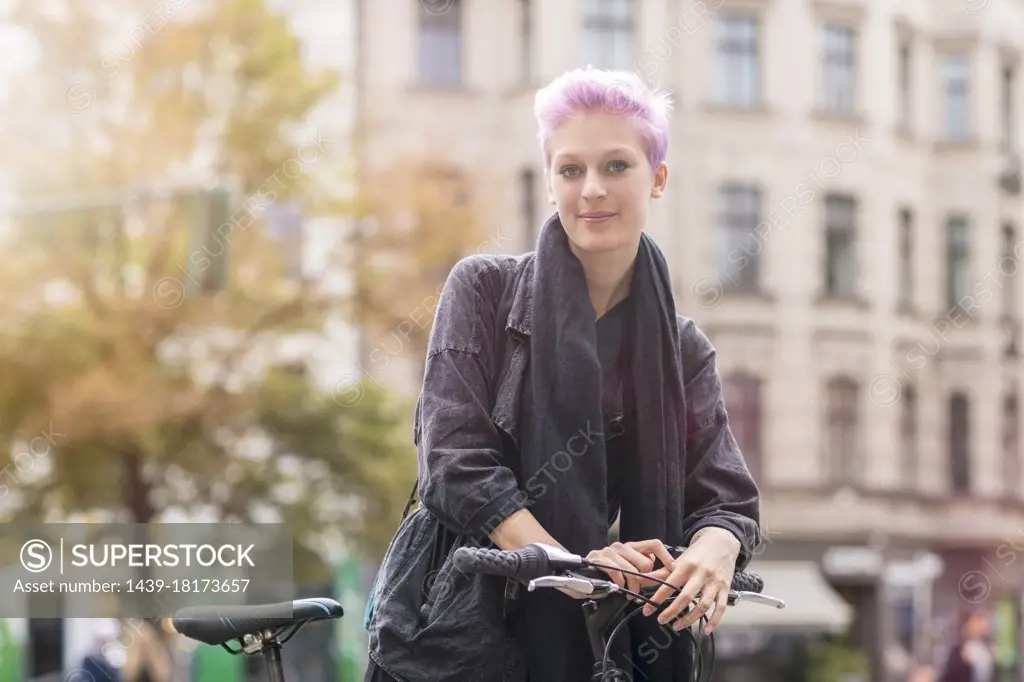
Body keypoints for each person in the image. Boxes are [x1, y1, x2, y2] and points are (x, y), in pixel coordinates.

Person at [363, 66, 761, 682]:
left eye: (616, 166)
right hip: (458, 630)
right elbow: (454, 464)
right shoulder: (483, 292)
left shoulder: (682, 350)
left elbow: (725, 496)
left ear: (658, 178)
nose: (592, 189)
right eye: (571, 169)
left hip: (602, 636)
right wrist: (573, 564)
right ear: (550, 182)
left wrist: (716, 549)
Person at [937, 609, 995, 682]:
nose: (983, 625)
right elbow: (950, 674)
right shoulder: (960, 649)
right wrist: (964, 663)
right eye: (978, 621)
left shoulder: (987, 648)